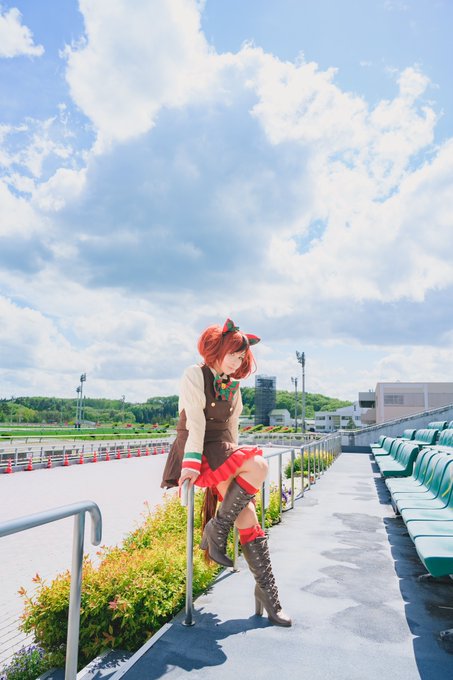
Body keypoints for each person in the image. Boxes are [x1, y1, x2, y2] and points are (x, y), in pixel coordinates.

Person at [161, 318, 291, 627]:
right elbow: (195, 422)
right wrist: (191, 465)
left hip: (222, 448)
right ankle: (220, 532)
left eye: (241, 356)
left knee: (248, 514)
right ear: (217, 350)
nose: (237, 361)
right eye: (233, 354)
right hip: (200, 447)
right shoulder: (194, 374)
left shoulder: (234, 385)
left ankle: (265, 591)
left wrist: (234, 460)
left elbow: (232, 430)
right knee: (258, 468)